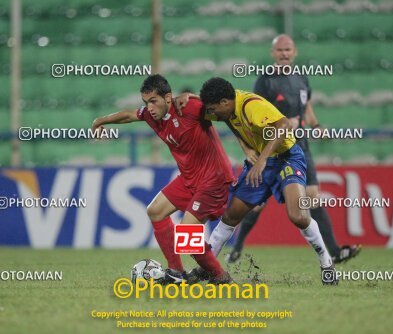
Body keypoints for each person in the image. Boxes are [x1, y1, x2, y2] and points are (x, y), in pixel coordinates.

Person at [225, 34, 361, 265]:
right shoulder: (265, 81)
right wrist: (283, 125)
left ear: (295, 52)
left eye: (288, 50)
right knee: (257, 203)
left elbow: (306, 106)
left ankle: (335, 252)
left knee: (313, 197)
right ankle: (237, 247)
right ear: (273, 54)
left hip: (301, 146)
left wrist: (315, 125)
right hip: (273, 148)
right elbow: (254, 114)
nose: (284, 54)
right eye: (280, 50)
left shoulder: (301, 78)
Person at [194, 76, 338, 285]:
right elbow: (223, 119)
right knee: (231, 216)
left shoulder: (252, 106)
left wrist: (261, 161)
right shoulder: (225, 108)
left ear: (225, 102)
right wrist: (246, 148)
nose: (212, 114)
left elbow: (284, 124)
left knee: (298, 216)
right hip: (262, 162)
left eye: (214, 109)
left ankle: (326, 262)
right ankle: (205, 268)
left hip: (287, 158)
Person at [92, 74, 233, 284]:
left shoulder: (189, 108)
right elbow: (129, 115)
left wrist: (194, 97)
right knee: (155, 211)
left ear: (168, 98)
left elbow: (224, 110)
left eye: (153, 101)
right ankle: (176, 271)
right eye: (145, 102)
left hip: (213, 179)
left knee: (187, 237)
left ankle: (221, 278)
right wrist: (100, 121)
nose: (149, 107)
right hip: (189, 179)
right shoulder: (151, 116)